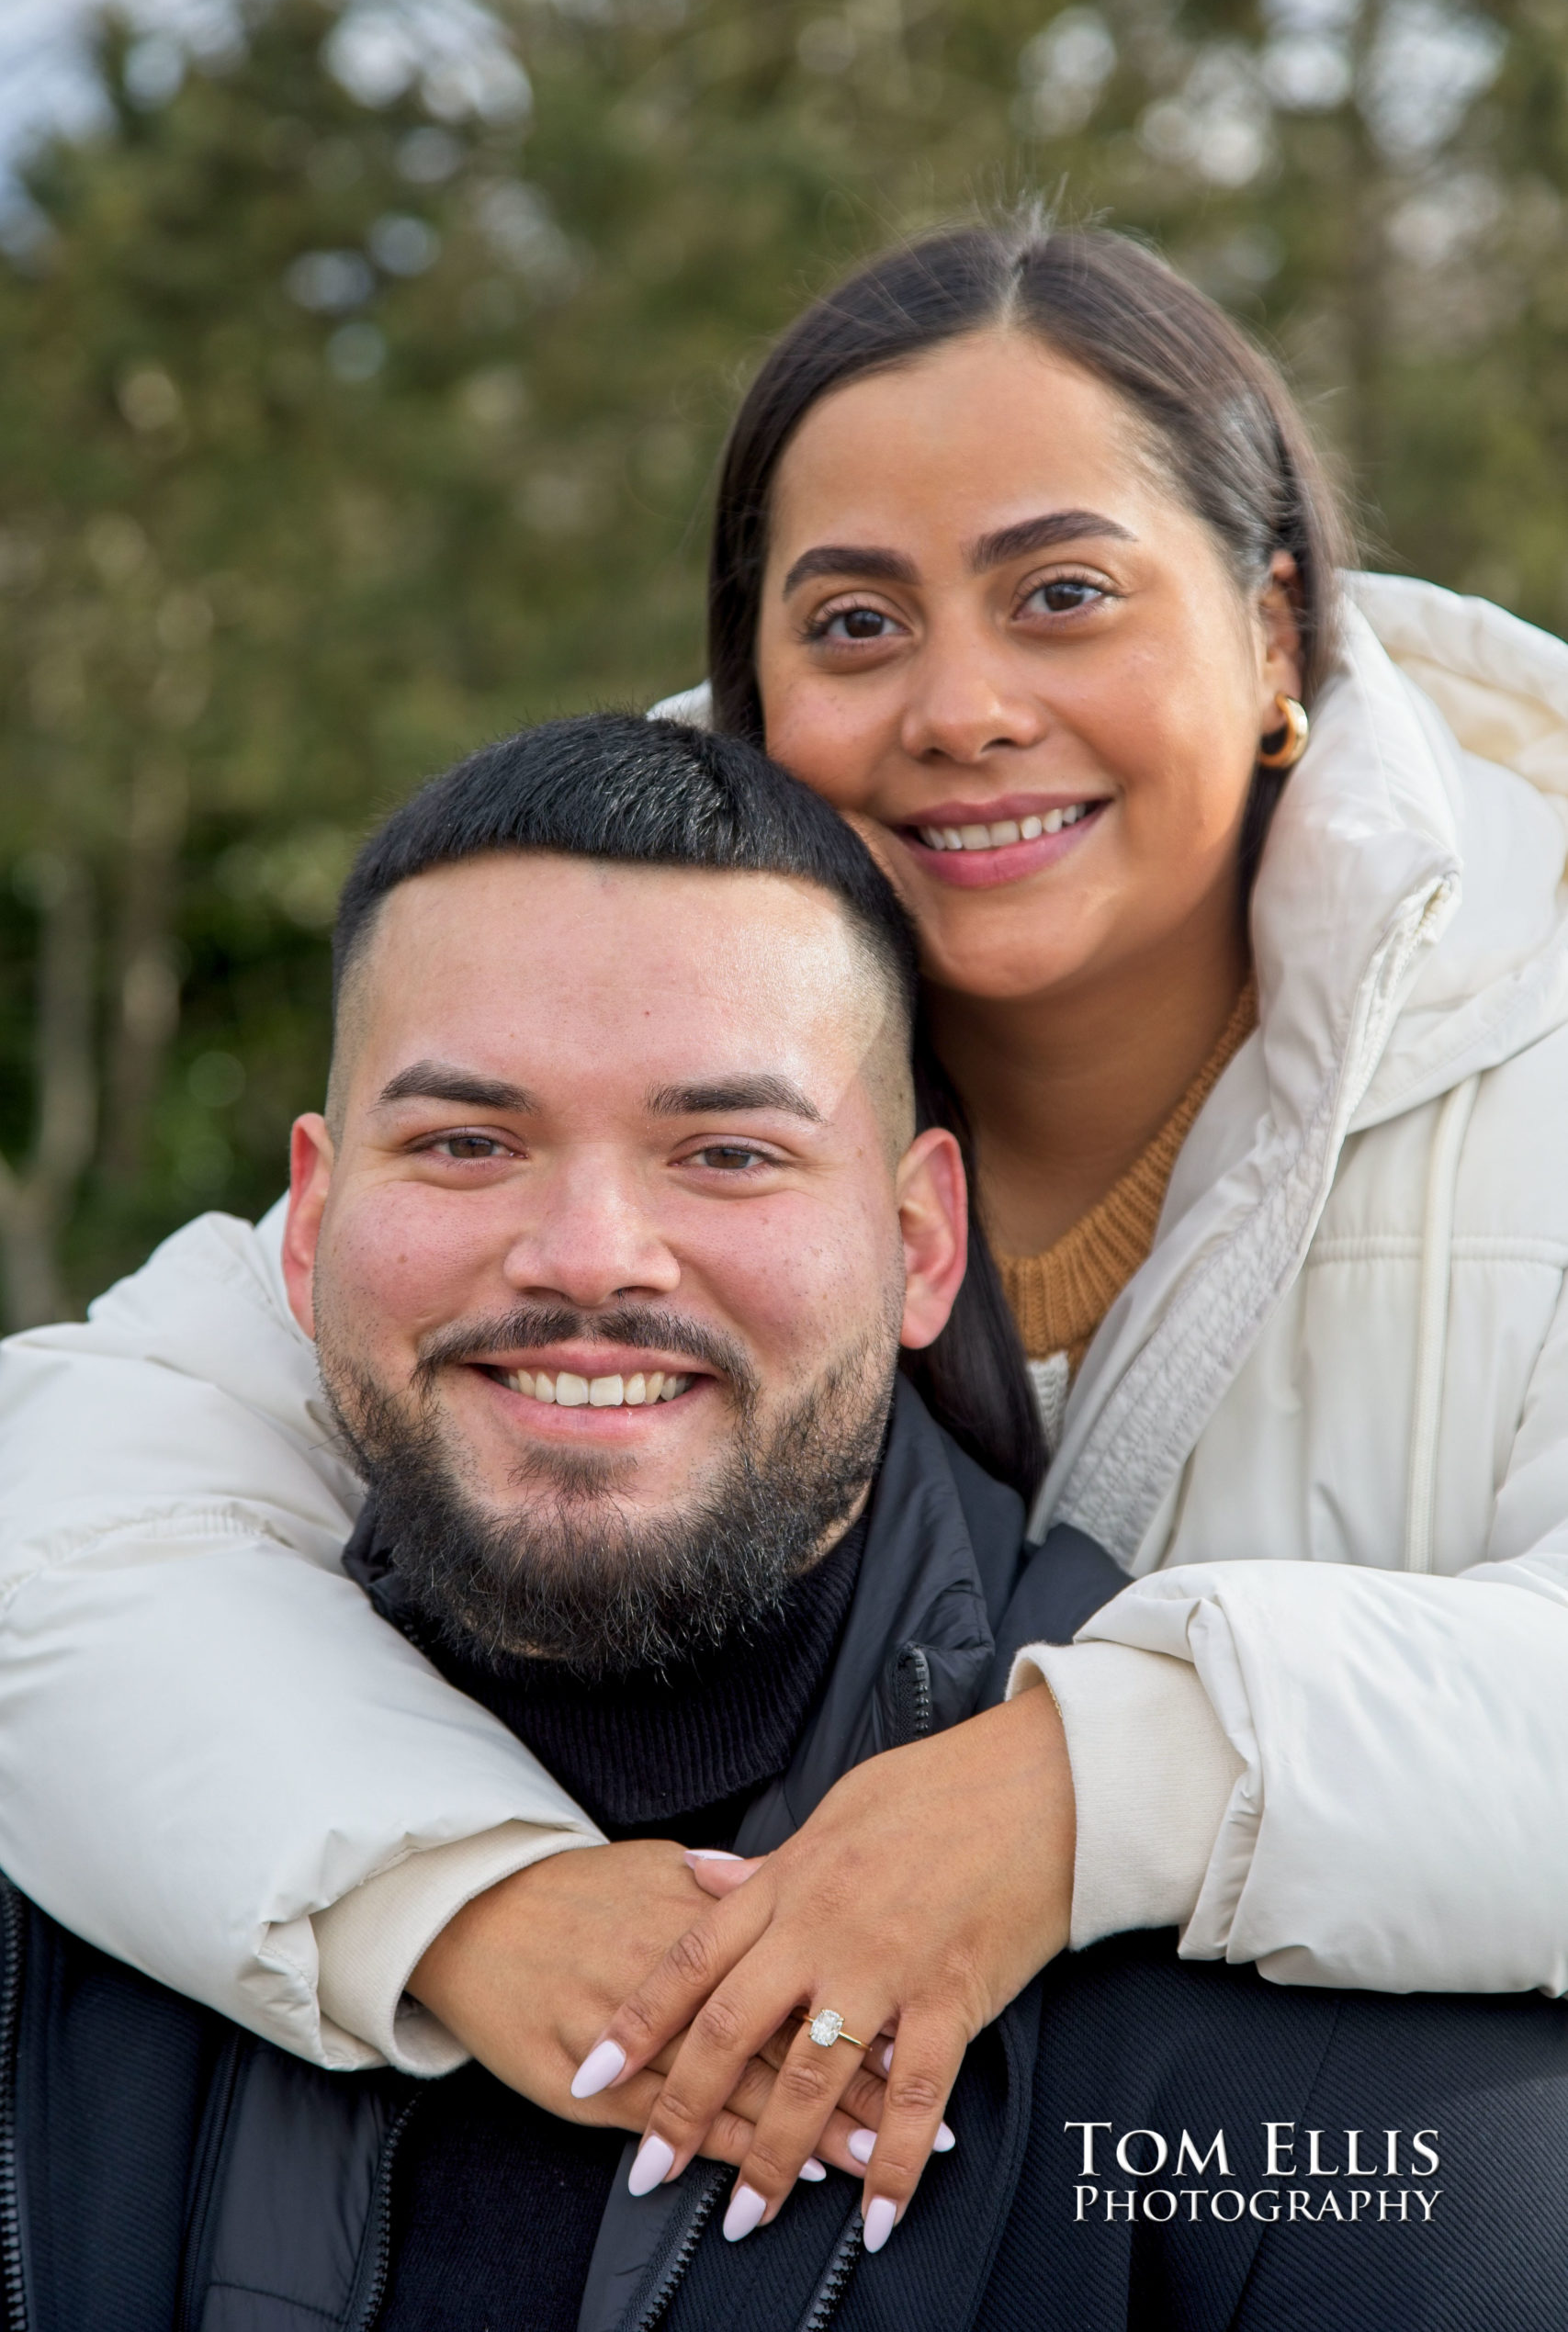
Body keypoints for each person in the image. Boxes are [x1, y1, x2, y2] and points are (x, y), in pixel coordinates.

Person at [6, 213, 1568, 2242]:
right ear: (746, 695)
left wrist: (1087, 1782)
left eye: (1062, 593)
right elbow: (71, 1509)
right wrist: (461, 1892)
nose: (959, 705)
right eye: (850, 624)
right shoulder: (613, 984)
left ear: (1275, 634)